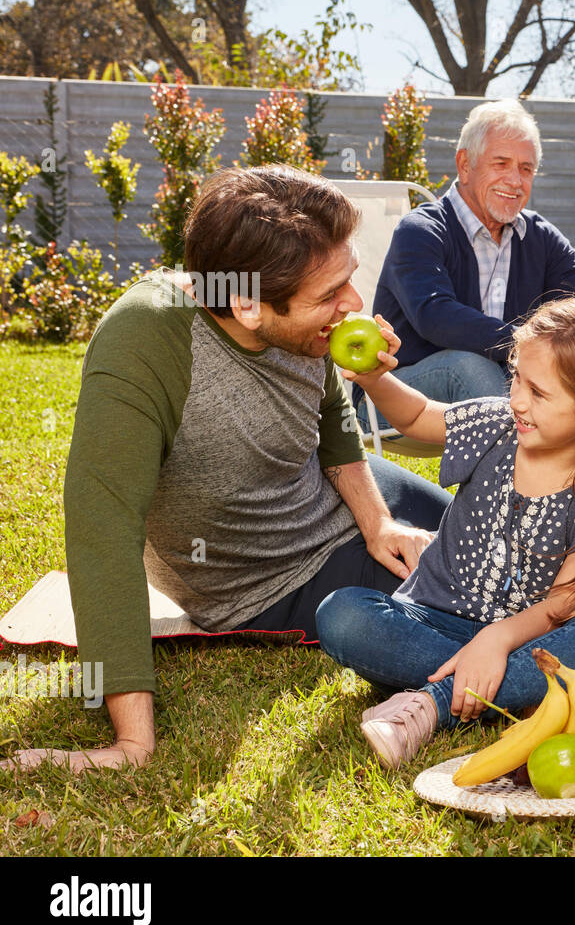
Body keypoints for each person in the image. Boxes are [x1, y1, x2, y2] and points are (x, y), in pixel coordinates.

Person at [2, 165, 452, 775]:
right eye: (330, 296)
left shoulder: (302, 325)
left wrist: (378, 525)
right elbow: (101, 531)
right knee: (474, 597)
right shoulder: (146, 342)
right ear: (246, 305)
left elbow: (332, 421)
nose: (352, 306)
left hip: (334, 492)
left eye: (349, 281)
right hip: (271, 569)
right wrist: (132, 745)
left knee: (506, 529)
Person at [315, 299, 575, 769]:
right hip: (431, 620)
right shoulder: (496, 425)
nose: (517, 399)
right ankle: (523, 691)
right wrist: (374, 378)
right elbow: (414, 418)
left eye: (538, 392)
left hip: (527, 638)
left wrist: (496, 640)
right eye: (516, 377)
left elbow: (564, 603)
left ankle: (431, 704)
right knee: (344, 615)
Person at [360, 99, 575, 432]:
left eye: (526, 169)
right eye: (501, 163)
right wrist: (529, 345)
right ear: (465, 165)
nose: (514, 180)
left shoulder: (538, 237)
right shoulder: (421, 230)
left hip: (507, 386)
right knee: (469, 366)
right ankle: (521, 482)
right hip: (396, 395)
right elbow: (436, 316)